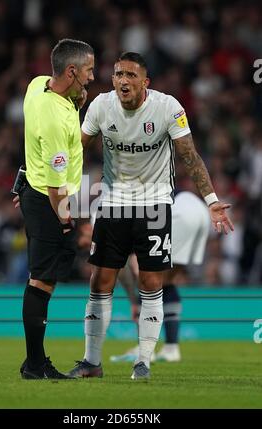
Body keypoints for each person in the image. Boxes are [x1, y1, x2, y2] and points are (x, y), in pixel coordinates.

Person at [67, 51, 233, 380]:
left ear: (145, 82)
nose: (123, 81)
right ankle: (91, 362)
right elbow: (76, 151)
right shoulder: (101, 106)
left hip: (155, 203)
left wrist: (211, 200)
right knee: (100, 281)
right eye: (117, 75)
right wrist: (64, 196)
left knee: (151, 281)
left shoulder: (168, 107)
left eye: (130, 75)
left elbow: (189, 155)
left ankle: (143, 361)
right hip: (113, 203)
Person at [18, 38, 94, 380]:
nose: (93, 77)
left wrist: (78, 103)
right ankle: (34, 364)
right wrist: (65, 221)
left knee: (45, 278)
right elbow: (54, 185)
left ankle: (34, 362)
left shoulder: (37, 86)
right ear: (72, 71)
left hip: (34, 190)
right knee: (42, 281)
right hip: (50, 200)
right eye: (89, 70)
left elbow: (35, 146)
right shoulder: (55, 122)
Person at [110, 190, 210, 363]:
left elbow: (135, 267)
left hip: (180, 212)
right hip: (199, 210)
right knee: (167, 279)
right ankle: (171, 348)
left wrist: (135, 301)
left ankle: (144, 349)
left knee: (147, 278)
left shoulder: (121, 212)